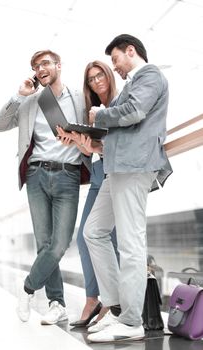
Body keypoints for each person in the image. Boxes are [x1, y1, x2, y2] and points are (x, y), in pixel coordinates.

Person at [81, 34, 173, 342]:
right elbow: (122, 129)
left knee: (131, 243)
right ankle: (117, 306)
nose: (115, 68)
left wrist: (99, 115)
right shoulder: (135, 82)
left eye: (116, 59)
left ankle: (132, 321)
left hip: (135, 167)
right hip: (117, 168)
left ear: (130, 51)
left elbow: (134, 113)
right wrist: (90, 139)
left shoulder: (150, 75)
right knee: (93, 231)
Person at [0, 49, 91, 324]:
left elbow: (95, 128)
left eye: (45, 63)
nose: (40, 68)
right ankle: (56, 303)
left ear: (59, 65)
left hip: (68, 175)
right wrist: (18, 95)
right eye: (36, 66)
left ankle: (27, 289)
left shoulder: (79, 98)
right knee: (43, 243)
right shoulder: (30, 101)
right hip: (36, 174)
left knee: (59, 244)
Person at [58, 61, 119, 328]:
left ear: (108, 75)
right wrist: (81, 145)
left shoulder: (119, 103)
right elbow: (93, 150)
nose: (96, 82)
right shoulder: (90, 112)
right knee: (84, 239)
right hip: (97, 176)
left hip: (115, 174)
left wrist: (95, 147)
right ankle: (93, 297)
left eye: (99, 76)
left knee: (109, 240)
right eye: (91, 79)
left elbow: (119, 144)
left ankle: (112, 303)